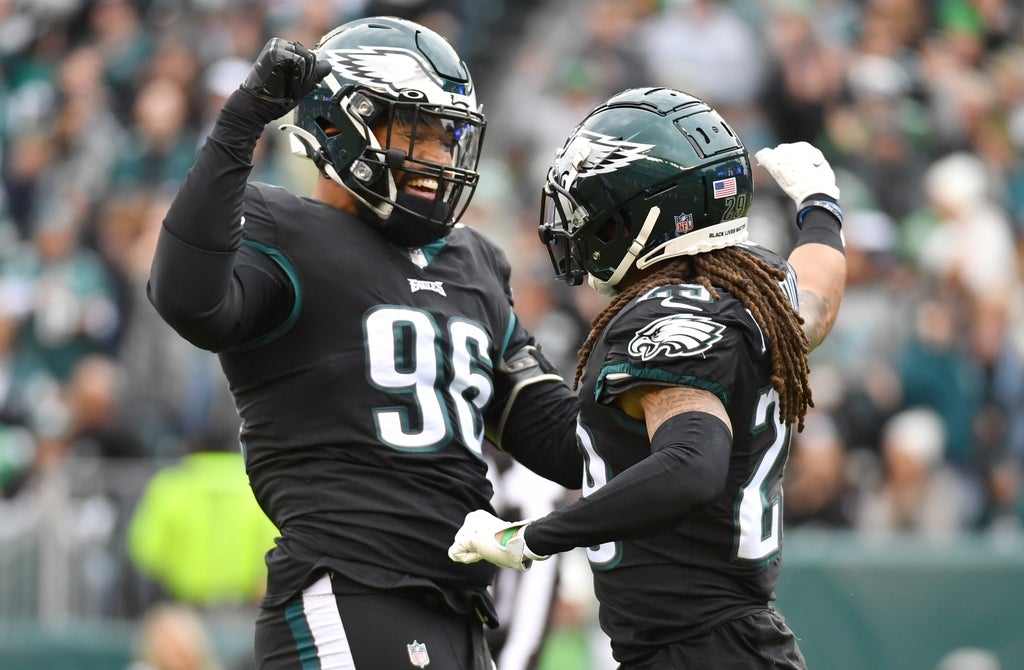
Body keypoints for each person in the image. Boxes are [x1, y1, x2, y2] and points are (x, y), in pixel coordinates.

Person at [147, 16, 582, 670]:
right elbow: (186, 297)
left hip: (460, 607)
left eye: (448, 137)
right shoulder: (284, 227)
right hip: (350, 587)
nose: (436, 158)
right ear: (339, 126)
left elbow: (557, 437)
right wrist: (243, 119)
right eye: (415, 132)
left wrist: (665, 388)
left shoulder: (475, 261)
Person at [450, 86, 848, 669]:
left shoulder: (664, 314)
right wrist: (821, 208)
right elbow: (817, 299)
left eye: (593, 207)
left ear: (647, 214)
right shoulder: (753, 285)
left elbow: (692, 464)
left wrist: (530, 538)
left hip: (699, 652)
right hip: (725, 645)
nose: (578, 225)